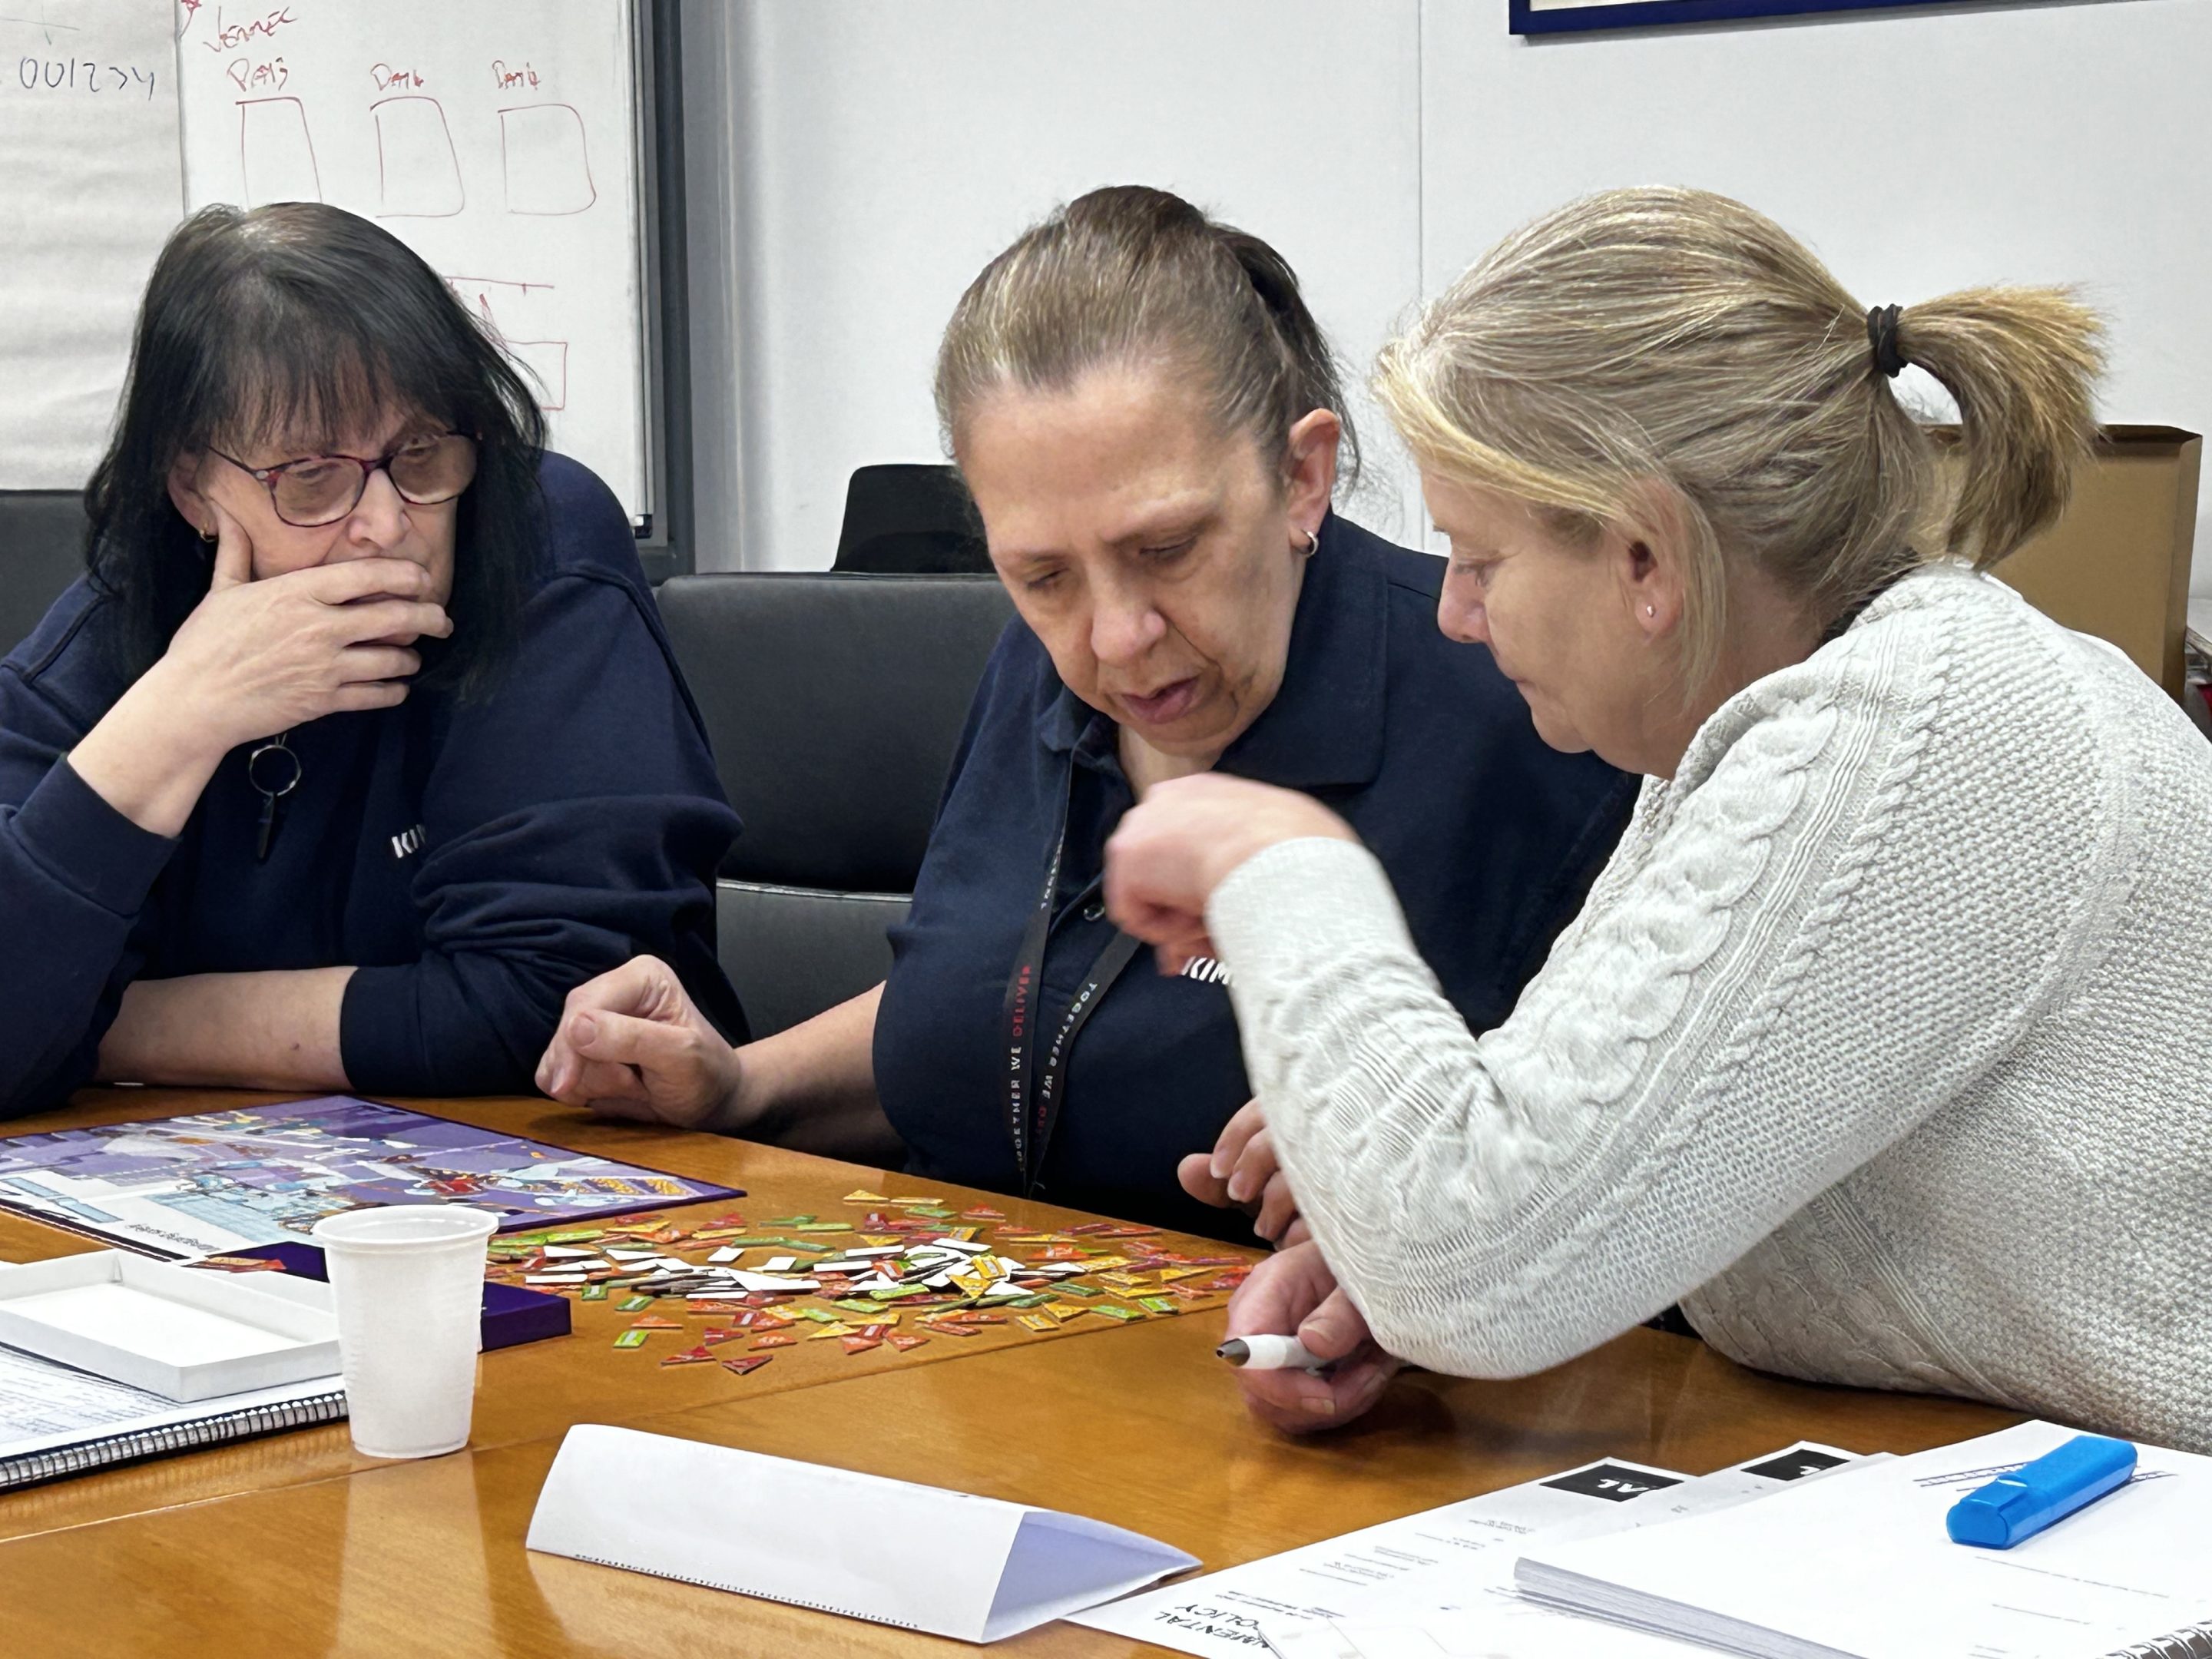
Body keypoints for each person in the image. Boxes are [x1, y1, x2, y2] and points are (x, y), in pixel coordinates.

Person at [1101, 186, 2212, 1449]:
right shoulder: (1759, 727)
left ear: (1646, 559)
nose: (1456, 614)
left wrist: (1276, 855)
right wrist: (1393, 1253)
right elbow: (1556, 1182)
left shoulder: (1910, 734)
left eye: (1481, 558)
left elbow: (1467, 1257)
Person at [537, 185, 1635, 1240]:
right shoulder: (1041, 660)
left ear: (1303, 478)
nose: (1114, 638)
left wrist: (1445, 1172)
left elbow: (1621, 1165)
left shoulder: (1523, 708)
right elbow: (1004, 1004)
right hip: (973, 1369)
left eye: (1166, 551)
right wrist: (742, 1085)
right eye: (1042, 574)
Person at [0, 203, 745, 1118]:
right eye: (312, 478)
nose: (389, 523)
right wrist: (178, 715)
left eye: (421, 454)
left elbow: (553, 1006)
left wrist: (113, 1026)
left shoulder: (535, 543)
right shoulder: (129, 608)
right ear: (193, 487)